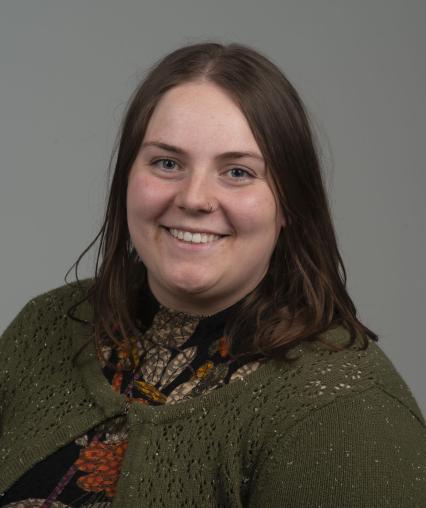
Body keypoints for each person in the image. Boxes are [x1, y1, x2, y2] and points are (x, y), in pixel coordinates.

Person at [0, 42, 425, 508]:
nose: (195, 198)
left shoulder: (345, 410)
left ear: (290, 205)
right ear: (126, 177)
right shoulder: (46, 325)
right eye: (167, 163)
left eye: (238, 171)